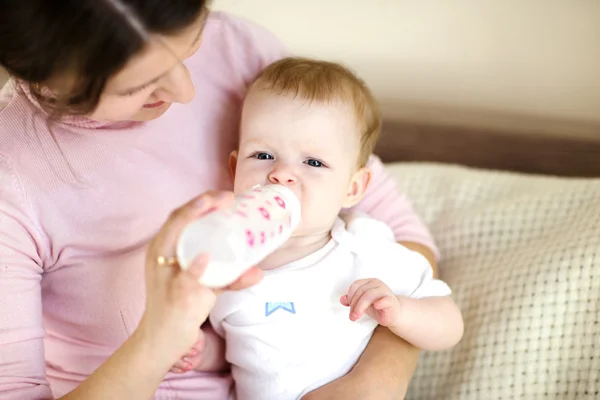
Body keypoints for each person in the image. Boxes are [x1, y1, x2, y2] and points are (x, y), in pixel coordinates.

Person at [0, 1, 441, 399]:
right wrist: (160, 338)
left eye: (190, 46)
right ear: (44, 76)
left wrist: (378, 377)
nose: (187, 92)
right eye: (138, 85)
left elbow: (402, 234)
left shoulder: (238, 48)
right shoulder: (12, 176)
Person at [179, 57, 463, 399]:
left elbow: (450, 325)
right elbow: (233, 352)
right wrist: (200, 352)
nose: (282, 174)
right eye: (263, 155)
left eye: (313, 162)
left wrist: (402, 314)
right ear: (235, 168)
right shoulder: (226, 266)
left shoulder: (365, 248)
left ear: (353, 188)